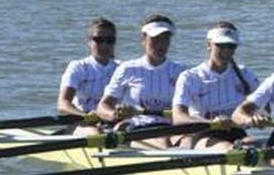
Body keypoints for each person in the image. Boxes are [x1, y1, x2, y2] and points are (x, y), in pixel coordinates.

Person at [96, 15, 187, 146]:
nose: (161, 44)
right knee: (164, 143)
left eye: (165, 39)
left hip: (172, 128)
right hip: (137, 128)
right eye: (155, 39)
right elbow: (102, 107)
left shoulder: (181, 71)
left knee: (187, 141)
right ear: (143, 39)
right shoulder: (128, 69)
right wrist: (115, 114)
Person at [171, 22, 257, 149]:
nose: (226, 50)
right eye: (221, 45)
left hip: (237, 133)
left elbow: (265, 108)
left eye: (231, 46)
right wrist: (211, 123)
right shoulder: (190, 77)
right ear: (209, 45)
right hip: (204, 134)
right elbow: (178, 118)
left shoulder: (245, 74)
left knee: (256, 145)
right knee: (229, 148)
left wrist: (257, 118)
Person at [57, 17, 118, 118]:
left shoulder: (121, 69)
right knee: (95, 131)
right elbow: (63, 104)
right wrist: (86, 116)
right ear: (89, 41)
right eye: (99, 40)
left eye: (110, 40)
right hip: (82, 120)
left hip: (112, 120)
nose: (104, 45)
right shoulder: (78, 67)